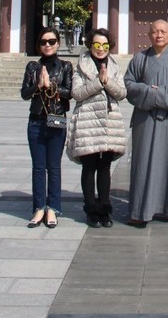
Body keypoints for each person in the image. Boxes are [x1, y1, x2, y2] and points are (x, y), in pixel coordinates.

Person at [124, 19, 168, 227]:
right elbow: (129, 85)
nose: (159, 35)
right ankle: (141, 210)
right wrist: (150, 93)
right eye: (155, 31)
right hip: (145, 120)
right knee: (144, 163)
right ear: (149, 35)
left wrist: (161, 93)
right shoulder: (140, 59)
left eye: (163, 31)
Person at [67, 28, 126, 228]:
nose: (101, 49)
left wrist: (107, 82)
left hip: (110, 123)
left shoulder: (115, 67)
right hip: (88, 122)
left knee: (105, 168)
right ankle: (91, 210)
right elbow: (77, 93)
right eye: (97, 45)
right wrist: (98, 82)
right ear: (90, 45)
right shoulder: (80, 66)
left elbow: (121, 93)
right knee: (89, 167)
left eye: (105, 46)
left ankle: (104, 208)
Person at [21, 27, 72, 228]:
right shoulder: (32, 67)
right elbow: (24, 93)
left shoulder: (66, 66)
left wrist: (51, 86)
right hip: (36, 120)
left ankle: (53, 208)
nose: (47, 45)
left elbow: (70, 92)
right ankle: (39, 207)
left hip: (57, 119)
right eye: (43, 42)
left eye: (51, 41)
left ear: (58, 43)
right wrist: (37, 86)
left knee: (54, 166)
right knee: (38, 167)